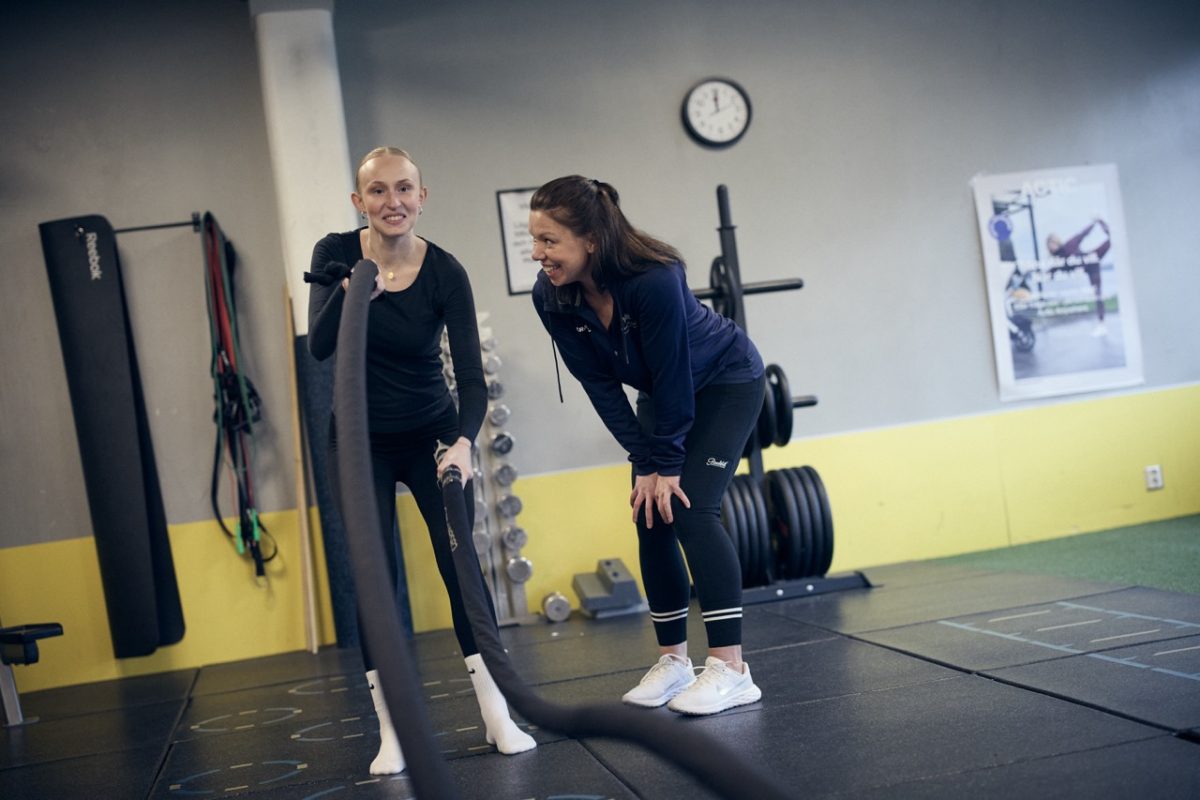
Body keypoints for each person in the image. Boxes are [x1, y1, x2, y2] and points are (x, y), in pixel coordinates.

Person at [307, 147, 535, 775]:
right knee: (375, 579)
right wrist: (354, 286)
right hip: (358, 440)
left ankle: (496, 713)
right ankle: (394, 732)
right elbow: (322, 346)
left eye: (404, 189)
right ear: (360, 203)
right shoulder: (333, 254)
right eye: (377, 192)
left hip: (433, 433)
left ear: (422, 196)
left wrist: (462, 442)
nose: (392, 202)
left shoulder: (446, 273)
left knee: (461, 566)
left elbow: (472, 380)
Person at [529, 175, 765, 716]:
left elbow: (675, 376)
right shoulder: (553, 296)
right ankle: (675, 662)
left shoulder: (654, 279)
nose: (538, 255)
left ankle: (732, 670)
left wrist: (667, 463)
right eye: (533, 242)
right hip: (663, 394)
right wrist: (645, 461)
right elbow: (600, 386)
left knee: (692, 508)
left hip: (725, 382)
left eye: (549, 241)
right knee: (649, 511)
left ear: (590, 238)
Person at [1046, 217, 1110, 336]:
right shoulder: (1057, 260)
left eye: (1053, 243)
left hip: (1092, 261)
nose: (1052, 246)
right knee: (1097, 295)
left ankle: (1101, 323)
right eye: (1049, 245)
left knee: (1111, 239)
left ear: (1057, 241)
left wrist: (1094, 223)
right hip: (1088, 267)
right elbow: (1051, 272)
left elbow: (1083, 234)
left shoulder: (1069, 245)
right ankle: (1101, 324)